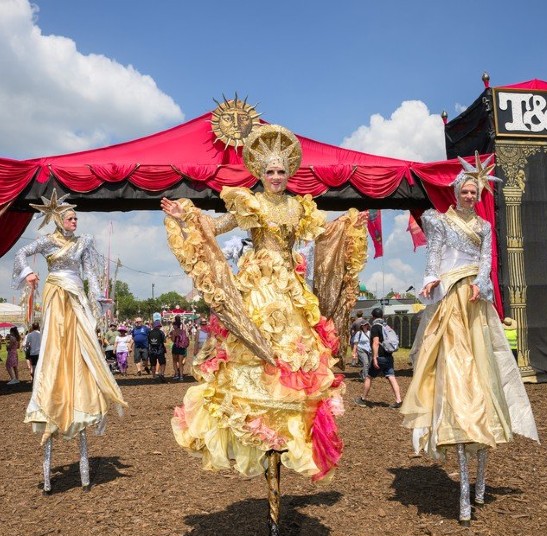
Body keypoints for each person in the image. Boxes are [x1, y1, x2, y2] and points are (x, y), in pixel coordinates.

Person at [161, 123, 367, 481]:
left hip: (291, 288)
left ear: (289, 174)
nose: (275, 177)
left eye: (281, 171)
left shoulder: (298, 206)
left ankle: (285, 428)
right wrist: (188, 218)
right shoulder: (250, 201)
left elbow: (322, 234)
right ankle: (257, 425)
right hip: (259, 286)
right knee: (252, 350)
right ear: (261, 172)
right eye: (270, 171)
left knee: (298, 353)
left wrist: (347, 227)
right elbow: (216, 227)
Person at [400, 153, 538, 525]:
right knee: (453, 367)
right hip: (450, 298)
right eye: (465, 190)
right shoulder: (441, 222)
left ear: (479, 194)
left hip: (474, 301)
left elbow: (488, 260)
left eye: (475, 191)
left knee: (485, 368)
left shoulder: (484, 226)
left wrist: (480, 285)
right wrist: (431, 279)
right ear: (456, 191)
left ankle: (478, 478)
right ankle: (457, 435)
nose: (470, 195)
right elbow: (435, 256)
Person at [12, 189, 126, 494]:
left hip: (74, 295)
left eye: (76, 217)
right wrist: (28, 275)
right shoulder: (48, 242)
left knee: (82, 345)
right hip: (56, 296)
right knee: (55, 346)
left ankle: (84, 388)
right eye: (70, 217)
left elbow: (89, 273)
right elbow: (21, 254)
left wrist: (99, 300)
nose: (74, 221)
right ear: (58, 220)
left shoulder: (83, 243)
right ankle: (51, 396)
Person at [355, 308, 403, 408]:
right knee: (391, 377)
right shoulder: (386, 326)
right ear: (382, 316)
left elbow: (376, 343)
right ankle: (398, 400)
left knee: (369, 377)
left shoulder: (375, 327)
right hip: (389, 356)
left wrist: (375, 357)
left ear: (373, 316)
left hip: (380, 357)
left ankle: (363, 399)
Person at [169, 315, 188, 380]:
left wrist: (172, 336)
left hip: (176, 347)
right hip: (182, 347)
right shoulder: (183, 331)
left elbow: (173, 340)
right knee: (180, 362)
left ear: (175, 325)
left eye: (173, 325)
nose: (173, 326)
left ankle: (177, 374)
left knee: (174, 361)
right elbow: (186, 339)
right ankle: (181, 376)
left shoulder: (174, 332)